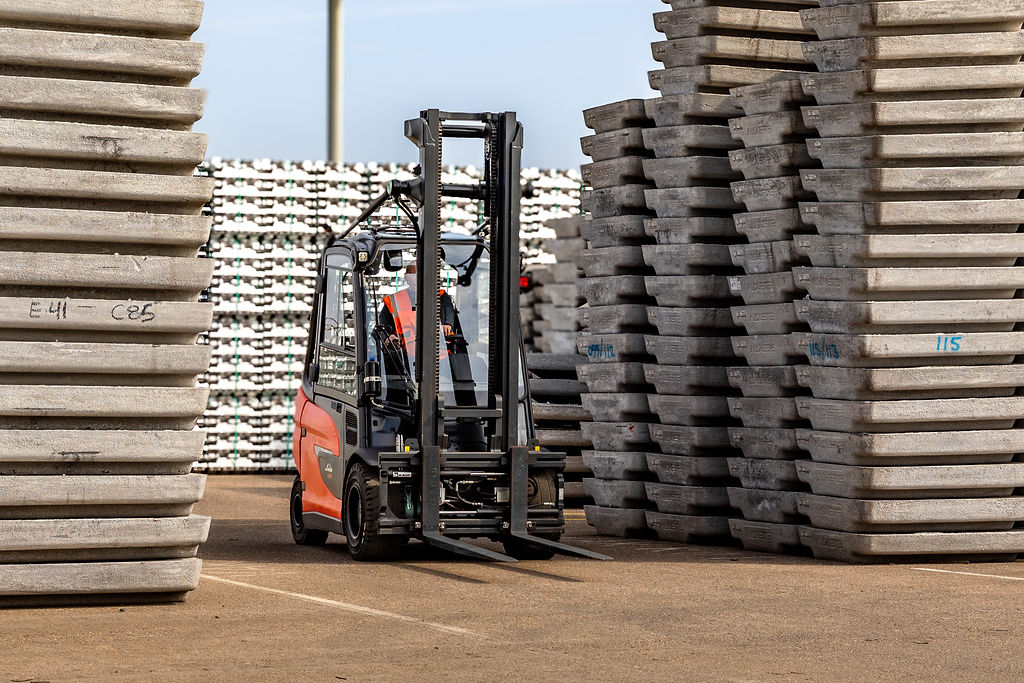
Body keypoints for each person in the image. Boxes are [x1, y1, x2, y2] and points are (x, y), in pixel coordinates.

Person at [379, 263, 458, 365]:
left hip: (440, 359)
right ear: (406, 277)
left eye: (421, 274)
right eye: (413, 274)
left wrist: (447, 324)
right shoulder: (393, 300)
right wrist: (388, 337)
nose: (417, 278)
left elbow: (449, 312)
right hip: (404, 359)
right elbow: (382, 326)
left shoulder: (441, 296)